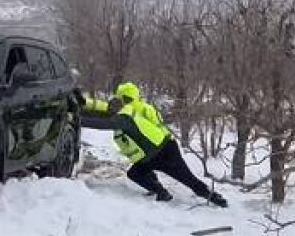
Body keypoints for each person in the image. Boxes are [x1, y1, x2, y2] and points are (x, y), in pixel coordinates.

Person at [81, 82, 227, 207]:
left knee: (184, 178)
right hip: (159, 148)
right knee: (141, 173)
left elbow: (107, 120)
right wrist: (84, 103)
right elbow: (107, 110)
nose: (111, 105)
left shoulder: (126, 114)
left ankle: (211, 197)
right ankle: (205, 196)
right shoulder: (143, 107)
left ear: (122, 99)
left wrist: (79, 119)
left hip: (160, 151)